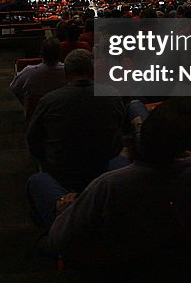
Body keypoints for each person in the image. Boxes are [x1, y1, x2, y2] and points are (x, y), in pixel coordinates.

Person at [47, 98, 191, 278]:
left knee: (40, 182)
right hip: (175, 265)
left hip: (112, 270)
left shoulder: (108, 185)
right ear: (186, 146)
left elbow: (59, 240)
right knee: (134, 111)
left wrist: (66, 211)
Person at [26, 50, 125, 226]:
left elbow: (33, 140)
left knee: (36, 181)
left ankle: (53, 227)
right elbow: (118, 135)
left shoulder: (49, 101)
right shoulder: (113, 96)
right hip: (101, 169)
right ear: (92, 72)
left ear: (66, 74)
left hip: (61, 171)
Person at [9, 38, 66, 105]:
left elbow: (14, 87)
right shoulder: (68, 71)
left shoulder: (29, 72)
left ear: (41, 53)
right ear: (60, 54)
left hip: (36, 112)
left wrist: (25, 102)